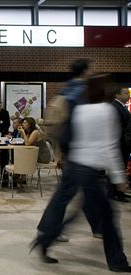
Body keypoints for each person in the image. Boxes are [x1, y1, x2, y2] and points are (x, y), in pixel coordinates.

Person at [32, 74, 131, 273]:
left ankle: (44, 240)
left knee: (75, 209)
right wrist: (119, 177)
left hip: (74, 165)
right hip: (89, 169)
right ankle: (117, 262)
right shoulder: (106, 111)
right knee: (106, 215)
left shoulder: (80, 110)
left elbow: (68, 136)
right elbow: (110, 146)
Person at [109, 86, 131, 202]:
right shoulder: (114, 107)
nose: (128, 95)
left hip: (124, 144)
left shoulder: (122, 107)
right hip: (119, 144)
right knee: (116, 169)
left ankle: (119, 192)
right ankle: (115, 194)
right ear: (117, 95)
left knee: (121, 168)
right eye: (125, 93)